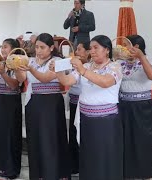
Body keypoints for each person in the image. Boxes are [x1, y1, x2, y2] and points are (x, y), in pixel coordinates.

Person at [52, 35, 123, 179]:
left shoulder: (115, 66)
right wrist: (57, 71)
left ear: (107, 50)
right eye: (91, 48)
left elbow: (105, 82)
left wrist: (83, 71)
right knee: (88, 155)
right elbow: (68, 80)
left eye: (96, 47)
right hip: (86, 119)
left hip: (106, 121)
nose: (93, 51)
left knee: (105, 156)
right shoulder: (85, 66)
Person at [15, 33, 70, 179]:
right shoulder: (31, 60)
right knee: (35, 138)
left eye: (42, 47)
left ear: (51, 48)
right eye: (36, 47)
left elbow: (45, 79)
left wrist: (30, 69)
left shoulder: (58, 61)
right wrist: (16, 67)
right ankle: (38, 174)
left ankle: (53, 173)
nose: (38, 50)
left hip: (51, 103)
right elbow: (21, 79)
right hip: (34, 103)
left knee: (50, 138)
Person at [118, 35, 152, 179]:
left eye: (126, 46)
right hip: (123, 105)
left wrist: (141, 57)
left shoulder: (148, 61)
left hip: (142, 107)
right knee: (125, 140)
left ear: (136, 47)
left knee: (142, 140)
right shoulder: (120, 62)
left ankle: (143, 173)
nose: (123, 49)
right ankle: (126, 172)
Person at [0, 38, 22, 179]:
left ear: (13, 49)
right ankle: (1, 167)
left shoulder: (17, 64)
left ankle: (12, 169)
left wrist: (2, 73)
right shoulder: (0, 63)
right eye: (2, 47)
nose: (3, 50)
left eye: (6, 47)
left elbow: (14, 85)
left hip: (11, 102)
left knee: (11, 135)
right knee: (0, 134)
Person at [67, 41, 90, 174]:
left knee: (84, 135)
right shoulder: (73, 64)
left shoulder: (90, 67)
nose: (76, 52)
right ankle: (74, 165)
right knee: (74, 133)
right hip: (74, 102)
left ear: (88, 52)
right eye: (76, 49)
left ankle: (85, 165)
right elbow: (66, 79)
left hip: (87, 105)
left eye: (80, 49)